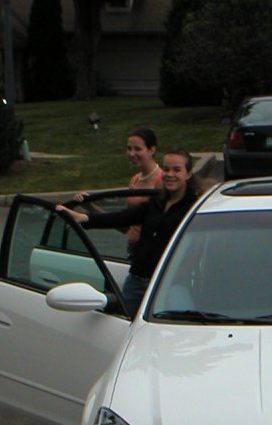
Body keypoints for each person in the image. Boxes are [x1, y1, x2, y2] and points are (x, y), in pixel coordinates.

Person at [56, 148, 198, 318]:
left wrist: (172, 278)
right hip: (136, 280)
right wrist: (84, 218)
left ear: (189, 174)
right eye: (166, 169)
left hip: (168, 284)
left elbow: (195, 252)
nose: (169, 174)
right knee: (125, 322)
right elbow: (123, 217)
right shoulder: (157, 202)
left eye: (177, 170)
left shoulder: (194, 209)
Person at [73, 126, 163, 251]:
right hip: (133, 251)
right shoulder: (135, 180)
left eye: (137, 149)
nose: (131, 154)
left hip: (151, 251)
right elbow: (123, 223)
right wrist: (89, 206)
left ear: (151, 150)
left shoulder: (161, 181)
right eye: (129, 148)